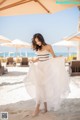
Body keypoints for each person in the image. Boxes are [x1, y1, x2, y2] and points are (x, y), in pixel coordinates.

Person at [24, 33, 70, 117]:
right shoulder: (37, 48)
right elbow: (39, 58)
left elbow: (53, 56)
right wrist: (33, 61)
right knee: (40, 87)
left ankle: (39, 108)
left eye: (38, 41)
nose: (37, 43)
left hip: (47, 69)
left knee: (45, 87)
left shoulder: (48, 46)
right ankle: (43, 108)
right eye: (36, 41)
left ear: (41, 39)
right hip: (39, 68)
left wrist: (60, 57)